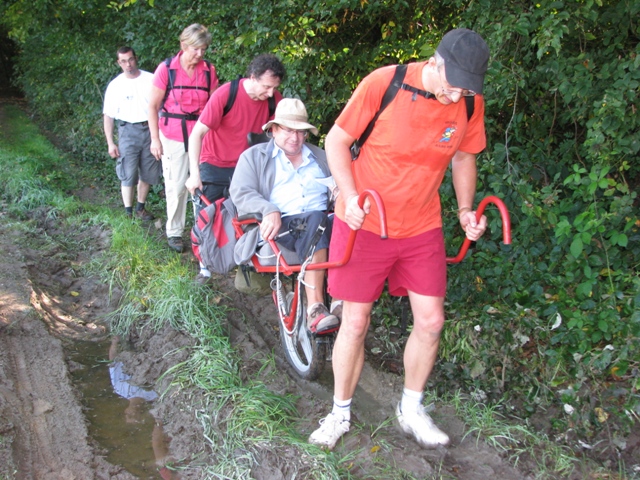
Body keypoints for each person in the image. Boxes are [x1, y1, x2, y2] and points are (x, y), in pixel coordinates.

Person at [308, 28, 490, 450]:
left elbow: (464, 155)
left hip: (422, 225)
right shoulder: (385, 82)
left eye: (467, 87)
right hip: (366, 222)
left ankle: (411, 408)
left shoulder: (467, 102)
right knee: (354, 322)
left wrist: (465, 210)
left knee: (431, 321)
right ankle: (339, 414)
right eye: (454, 83)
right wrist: (349, 196)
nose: (457, 93)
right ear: (436, 62)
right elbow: (337, 140)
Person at [229, 98, 340, 334]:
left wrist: (341, 195)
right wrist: (268, 208)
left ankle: (344, 299)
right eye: (288, 130)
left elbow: (341, 187)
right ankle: (316, 308)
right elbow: (240, 192)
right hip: (282, 227)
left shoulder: (321, 157)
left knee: (348, 222)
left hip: (320, 221)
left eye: (301, 132)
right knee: (315, 221)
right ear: (273, 130)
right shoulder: (254, 157)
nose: (295, 138)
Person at [185, 53, 285, 285]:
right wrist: (194, 173)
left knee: (247, 216)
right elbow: (197, 134)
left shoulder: (273, 100)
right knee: (209, 217)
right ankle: (205, 269)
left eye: (275, 88)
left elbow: (280, 135)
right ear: (253, 77)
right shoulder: (226, 94)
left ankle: (243, 263)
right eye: (267, 87)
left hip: (247, 167)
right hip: (215, 162)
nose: (271, 93)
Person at [148, 24, 218, 253]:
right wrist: (155, 139)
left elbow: (215, 106)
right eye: (196, 49)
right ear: (184, 45)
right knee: (177, 185)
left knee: (203, 184)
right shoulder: (167, 69)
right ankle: (175, 232)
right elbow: (152, 106)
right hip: (173, 135)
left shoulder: (208, 70)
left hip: (202, 136)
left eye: (203, 49)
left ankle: (203, 231)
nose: (200, 54)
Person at [103, 46, 161, 220]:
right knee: (128, 172)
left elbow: (161, 108)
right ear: (118, 63)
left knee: (148, 171)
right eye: (123, 61)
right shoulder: (115, 85)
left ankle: (140, 208)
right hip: (127, 130)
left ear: (135, 59)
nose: (128, 64)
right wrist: (110, 142)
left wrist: (158, 136)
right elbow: (108, 116)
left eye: (130, 59)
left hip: (150, 129)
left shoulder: (151, 79)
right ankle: (128, 212)